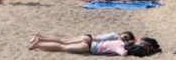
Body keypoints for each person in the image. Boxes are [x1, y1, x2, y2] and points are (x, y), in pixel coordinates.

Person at [28, 32, 160, 56]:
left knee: (63, 41)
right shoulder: (119, 44)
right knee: (62, 47)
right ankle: (38, 44)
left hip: (89, 39)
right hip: (89, 46)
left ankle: (40, 38)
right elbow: (124, 53)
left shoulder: (117, 39)